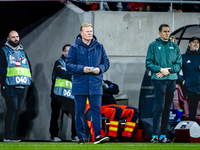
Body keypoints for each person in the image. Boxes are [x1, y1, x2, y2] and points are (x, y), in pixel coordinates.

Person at [65, 23, 110, 144]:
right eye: (87, 31)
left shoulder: (99, 47)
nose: (90, 33)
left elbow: (106, 62)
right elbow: (68, 65)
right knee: (79, 111)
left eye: (91, 31)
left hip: (95, 84)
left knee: (96, 111)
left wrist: (100, 69)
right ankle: (81, 137)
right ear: (81, 33)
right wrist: (82, 69)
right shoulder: (74, 47)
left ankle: (98, 136)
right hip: (80, 84)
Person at [146, 24, 182, 143]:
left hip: (171, 79)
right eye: (165, 31)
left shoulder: (175, 47)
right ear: (159, 32)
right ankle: (155, 135)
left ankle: (163, 135)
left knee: (167, 108)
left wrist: (167, 71)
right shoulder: (153, 45)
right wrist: (160, 70)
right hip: (159, 80)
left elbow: (178, 65)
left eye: (168, 31)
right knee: (159, 108)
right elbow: (148, 64)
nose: (167, 33)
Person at [0, 30, 32, 142]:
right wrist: (5, 82)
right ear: (8, 39)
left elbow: (28, 67)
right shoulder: (4, 51)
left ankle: (12, 135)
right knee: (12, 109)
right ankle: (8, 136)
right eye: (13, 37)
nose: (16, 39)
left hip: (21, 85)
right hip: (9, 85)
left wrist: (27, 78)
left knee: (16, 110)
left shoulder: (22, 52)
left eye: (17, 36)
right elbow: (1, 68)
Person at [49, 44, 77, 142]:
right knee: (55, 115)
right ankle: (54, 135)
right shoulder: (59, 62)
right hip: (58, 93)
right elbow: (62, 73)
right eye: (67, 51)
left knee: (76, 113)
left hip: (69, 94)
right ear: (63, 52)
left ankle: (75, 135)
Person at [177, 36, 200, 122]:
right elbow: (175, 71)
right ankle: (191, 133)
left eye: (197, 42)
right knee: (192, 114)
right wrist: (182, 81)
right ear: (189, 44)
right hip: (190, 90)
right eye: (194, 42)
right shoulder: (183, 57)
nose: (196, 44)